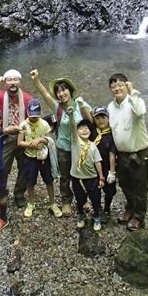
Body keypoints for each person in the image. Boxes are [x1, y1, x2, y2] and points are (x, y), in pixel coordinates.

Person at [30, 70, 92, 217]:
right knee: (65, 176)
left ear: (70, 91)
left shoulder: (80, 104)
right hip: (64, 147)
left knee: (82, 173)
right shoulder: (57, 107)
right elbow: (45, 94)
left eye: (64, 90)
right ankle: (66, 200)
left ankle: (83, 199)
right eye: (58, 92)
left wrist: (83, 107)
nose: (61, 94)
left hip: (81, 146)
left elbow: (91, 121)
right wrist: (36, 80)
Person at [0, 70, 33, 208]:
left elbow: (33, 118)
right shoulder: (0, 95)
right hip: (4, 136)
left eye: (15, 80)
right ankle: (1, 192)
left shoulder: (27, 98)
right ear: (5, 83)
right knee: (2, 167)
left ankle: (19, 193)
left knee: (24, 167)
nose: (13, 83)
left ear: (20, 82)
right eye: (9, 80)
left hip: (21, 136)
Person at [108, 73, 148, 231]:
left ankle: (139, 217)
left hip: (138, 153)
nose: (117, 88)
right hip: (122, 154)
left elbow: (139, 112)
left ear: (127, 85)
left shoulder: (135, 101)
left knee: (140, 186)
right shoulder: (111, 107)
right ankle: (130, 209)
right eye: (113, 86)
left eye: (120, 85)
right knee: (125, 184)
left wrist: (133, 92)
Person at [17, 99, 63, 219]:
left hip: (43, 157)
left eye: (36, 116)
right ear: (27, 113)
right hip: (30, 157)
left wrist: (40, 140)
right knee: (30, 181)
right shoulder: (23, 125)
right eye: (32, 116)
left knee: (49, 180)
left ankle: (52, 203)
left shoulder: (44, 124)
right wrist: (31, 144)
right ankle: (31, 203)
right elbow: (19, 142)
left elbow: (50, 139)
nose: (34, 118)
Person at [68, 107, 104, 231]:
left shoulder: (93, 146)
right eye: (81, 128)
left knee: (95, 199)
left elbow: (98, 162)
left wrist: (101, 177)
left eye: (87, 128)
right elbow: (73, 127)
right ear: (77, 132)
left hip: (92, 178)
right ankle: (81, 215)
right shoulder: (75, 142)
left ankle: (97, 216)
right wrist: (71, 115)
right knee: (79, 199)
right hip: (77, 178)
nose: (84, 130)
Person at [91, 106, 117, 222]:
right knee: (94, 189)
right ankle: (97, 208)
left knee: (109, 190)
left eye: (103, 117)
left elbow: (112, 154)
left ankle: (107, 209)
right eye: (97, 118)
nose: (100, 120)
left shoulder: (111, 135)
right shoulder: (93, 131)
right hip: (94, 167)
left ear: (108, 118)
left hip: (106, 167)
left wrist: (112, 172)